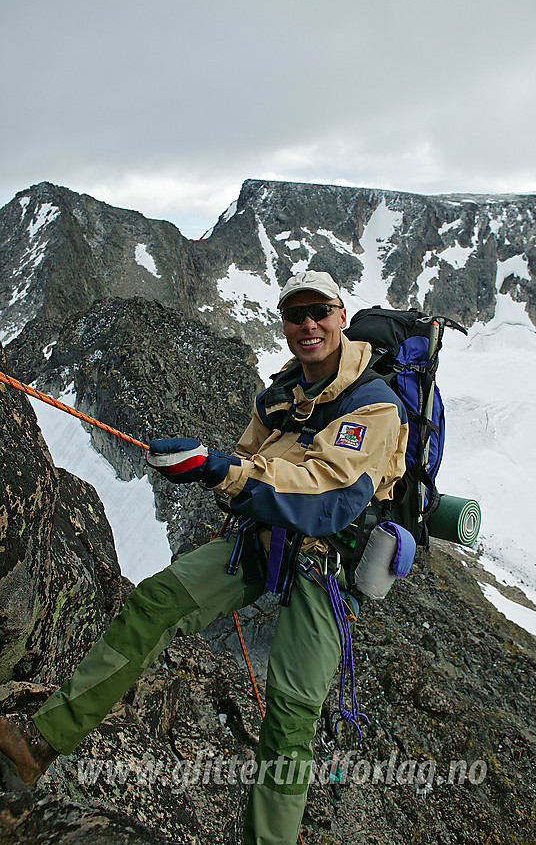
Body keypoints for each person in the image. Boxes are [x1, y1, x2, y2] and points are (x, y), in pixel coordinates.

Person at [0, 270, 408, 844]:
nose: (308, 324)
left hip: (325, 565)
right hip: (261, 541)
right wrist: (210, 467)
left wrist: (224, 471)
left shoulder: (376, 407)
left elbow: (327, 499)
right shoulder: (283, 392)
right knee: (155, 601)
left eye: (319, 311)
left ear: (342, 316)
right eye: (296, 315)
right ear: (285, 325)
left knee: (290, 721)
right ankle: (39, 744)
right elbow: (249, 456)